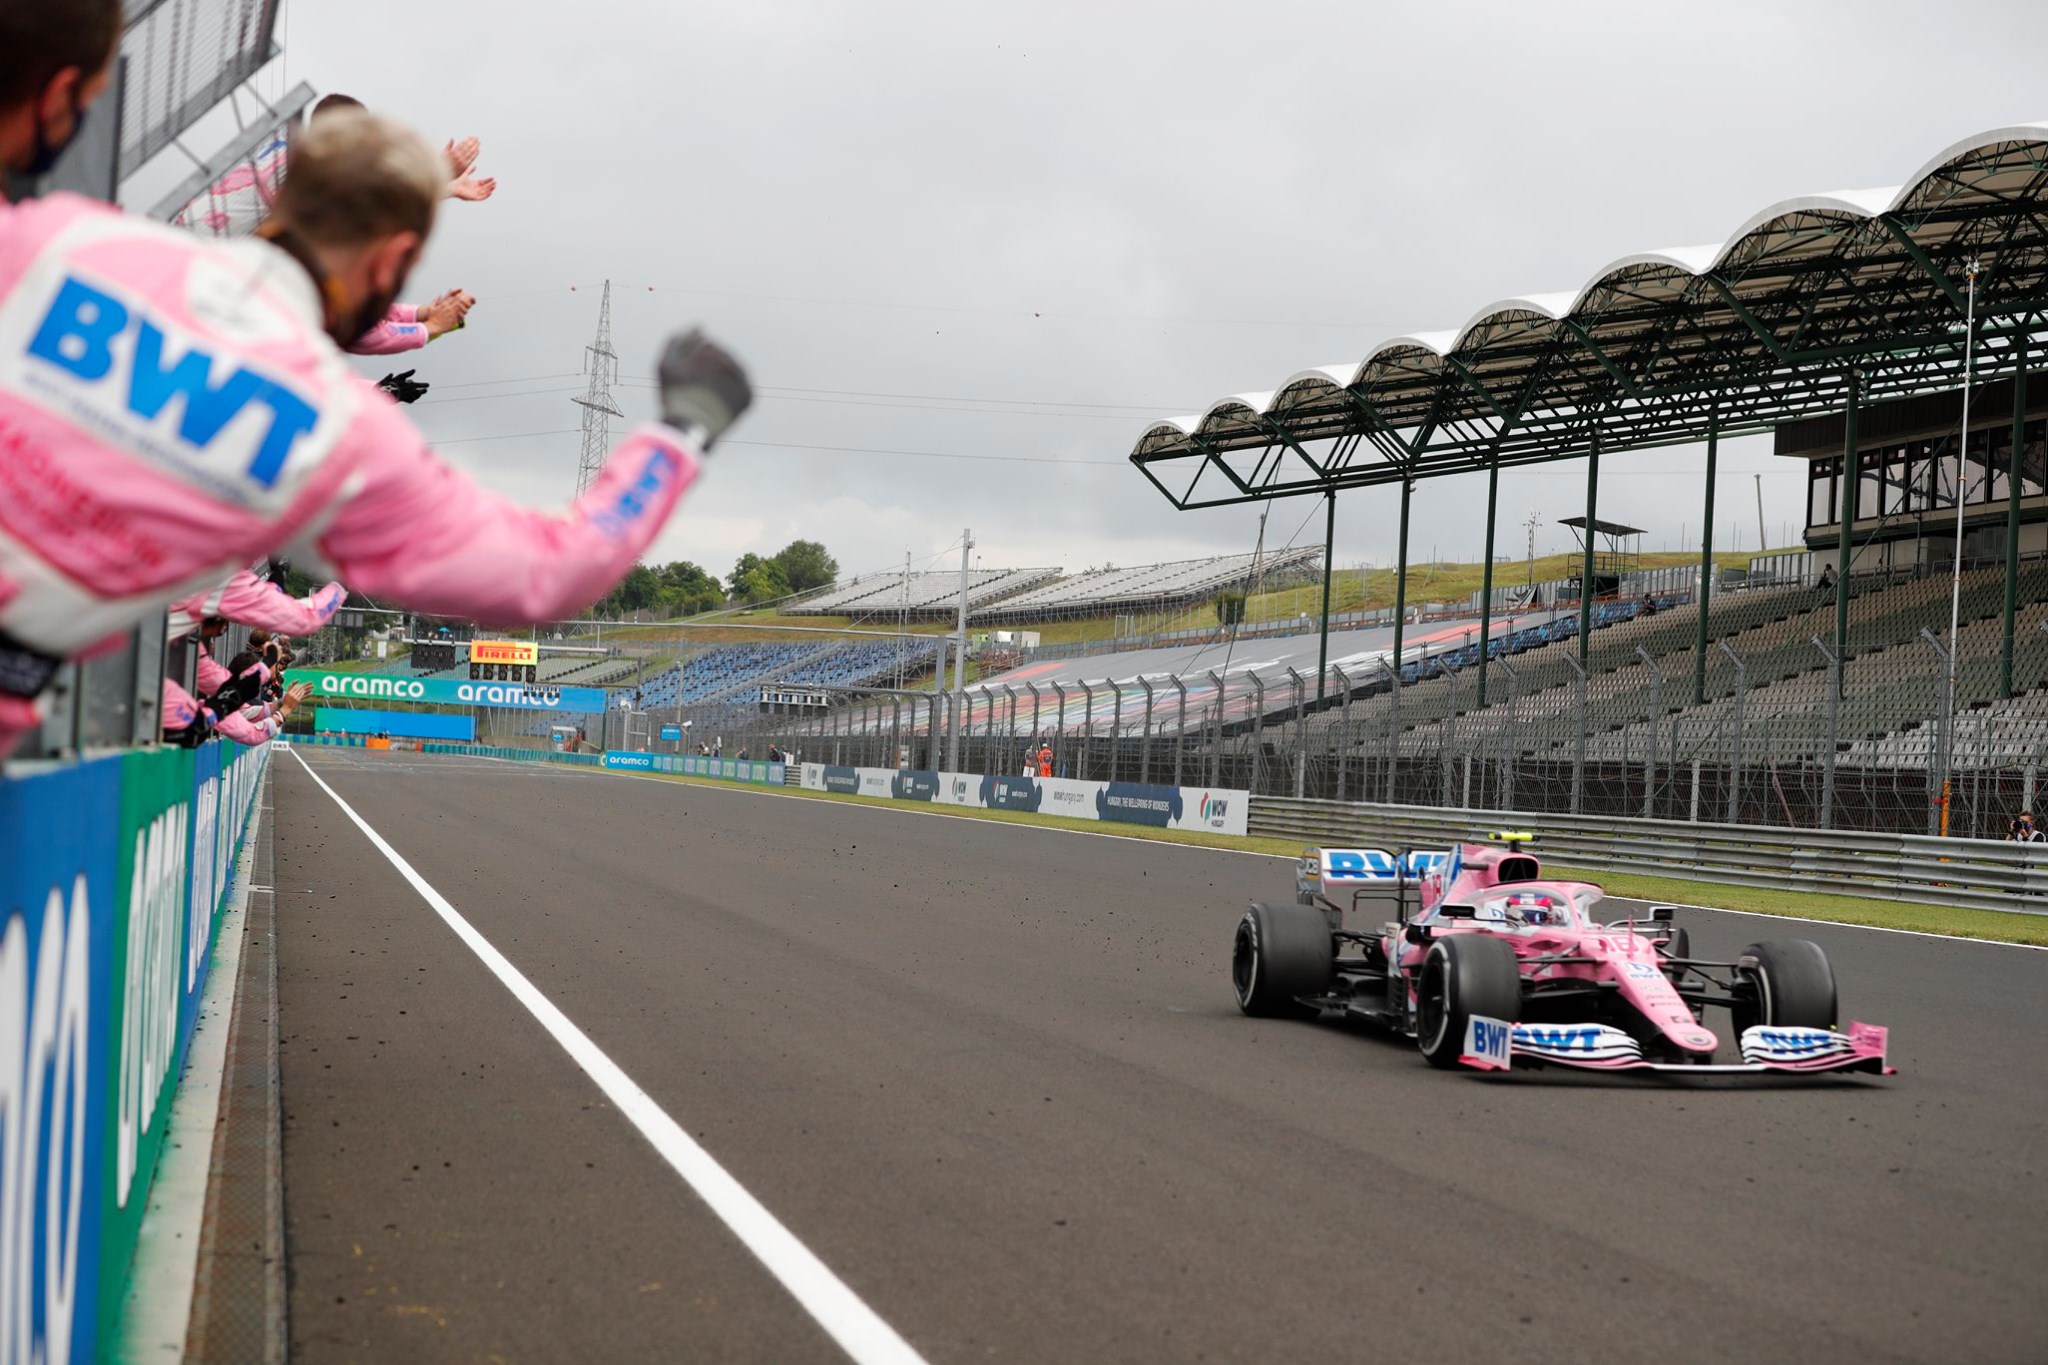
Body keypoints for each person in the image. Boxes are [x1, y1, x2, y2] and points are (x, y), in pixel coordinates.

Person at [0, 94, 752, 758]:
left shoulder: (70, 238)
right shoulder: (333, 432)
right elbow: (550, 570)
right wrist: (681, 433)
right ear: (396, 257)